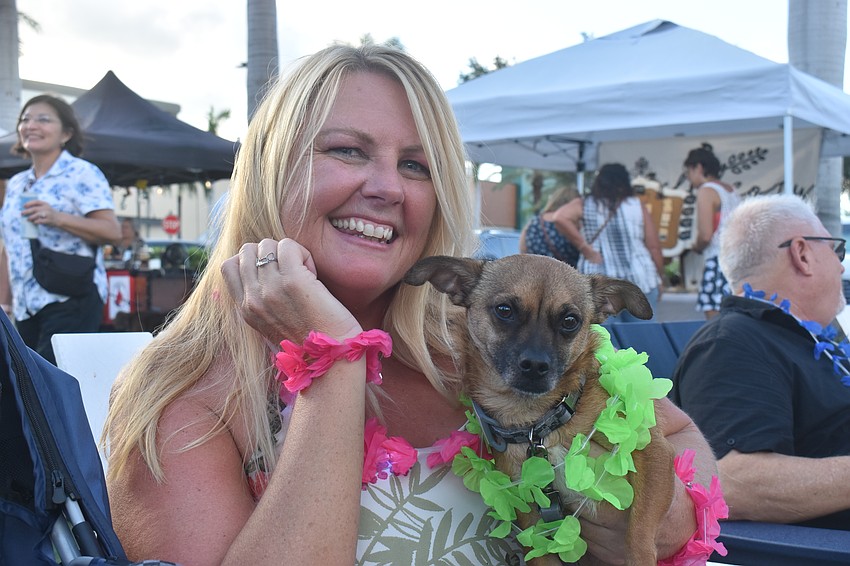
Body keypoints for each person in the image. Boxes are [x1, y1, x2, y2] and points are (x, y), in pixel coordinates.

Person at [104, 45, 718, 566]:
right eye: (347, 150)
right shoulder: (188, 402)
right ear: (270, 168)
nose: (387, 187)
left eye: (416, 166)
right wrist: (334, 359)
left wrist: (665, 519)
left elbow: (685, 441)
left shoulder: (478, 339)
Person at [670, 193, 850, 530]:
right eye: (835, 250)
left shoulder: (805, 339)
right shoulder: (733, 343)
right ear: (802, 254)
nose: (841, 265)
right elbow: (734, 480)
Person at [0, 95, 120, 363]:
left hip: (70, 296)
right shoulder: (18, 183)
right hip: (25, 305)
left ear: (66, 133)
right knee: (28, 386)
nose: (31, 125)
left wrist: (58, 218)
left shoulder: (82, 173)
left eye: (43, 119)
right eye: (25, 119)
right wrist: (4, 303)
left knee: (52, 388)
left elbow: (112, 231)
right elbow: (10, 247)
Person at [543, 163, 665, 322]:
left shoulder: (585, 204)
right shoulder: (636, 206)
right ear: (625, 183)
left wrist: (585, 248)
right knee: (642, 334)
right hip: (641, 277)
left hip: (600, 284)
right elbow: (654, 247)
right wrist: (659, 276)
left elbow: (559, 217)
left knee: (604, 337)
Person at [684, 143, 741, 319]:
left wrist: (696, 246)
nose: (688, 178)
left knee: (715, 320)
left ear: (698, 168)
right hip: (738, 260)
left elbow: (706, 234)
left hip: (718, 260)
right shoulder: (731, 190)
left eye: (688, 172)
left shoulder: (706, 191)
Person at [519, 185, 581, 266]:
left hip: (535, 275)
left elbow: (522, 253)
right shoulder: (571, 225)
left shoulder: (533, 223)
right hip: (566, 277)